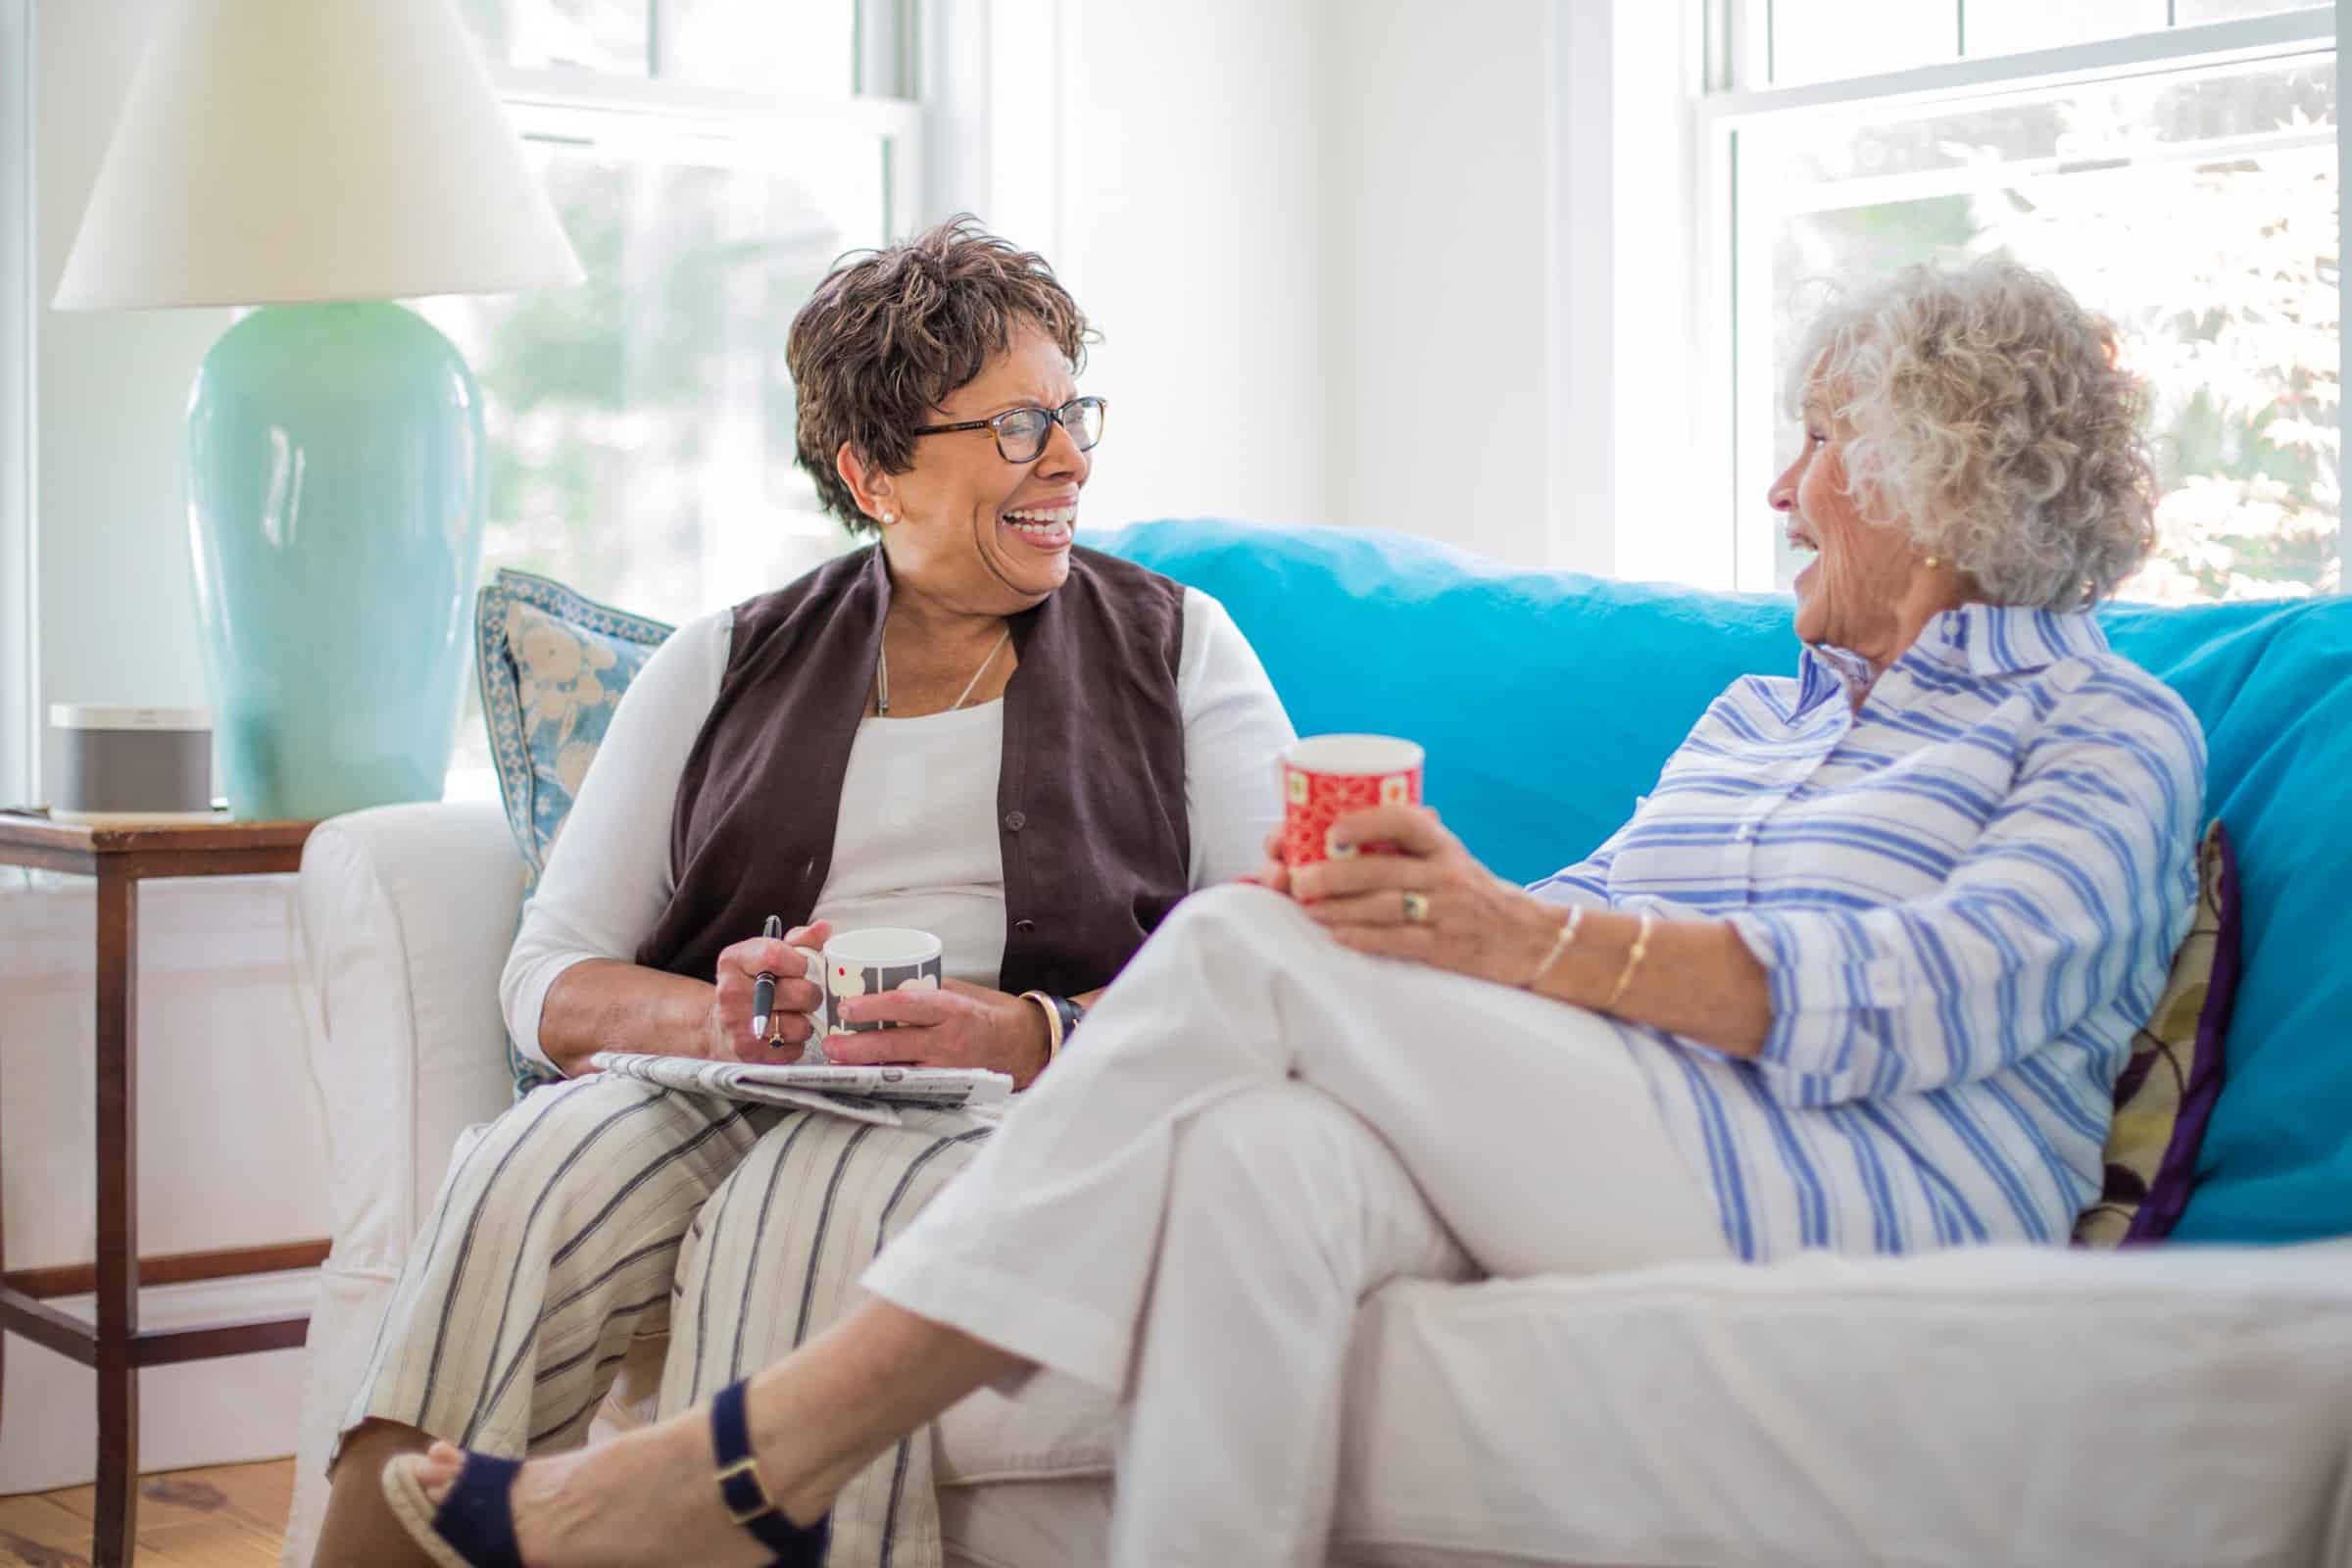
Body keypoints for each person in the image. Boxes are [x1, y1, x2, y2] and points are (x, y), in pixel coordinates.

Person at [382, 256, 2206, 1568]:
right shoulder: (1765, 713)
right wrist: (1458, 918)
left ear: (1943, 472)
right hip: (1649, 1134)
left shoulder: (2112, 729)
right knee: (1263, 1159)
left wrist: (1506, 945)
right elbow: (1568, 924)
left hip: (1845, 1204)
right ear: (872, 472)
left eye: (1818, 445)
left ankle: (763, 1458)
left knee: (1249, 944)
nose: (1780, 491)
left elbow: (1912, 1004)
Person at [309, 219, 1296, 1565]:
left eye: (1073, 417)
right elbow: (551, 980)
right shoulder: (727, 658)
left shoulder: (1177, 647)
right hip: (726, 1081)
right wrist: (730, 1025)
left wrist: (1027, 1031)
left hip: (1010, 1101)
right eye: (1016, 427)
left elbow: (1273, 958)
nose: (1067, 460)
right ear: (874, 470)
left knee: (809, 1204)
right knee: (527, 1166)